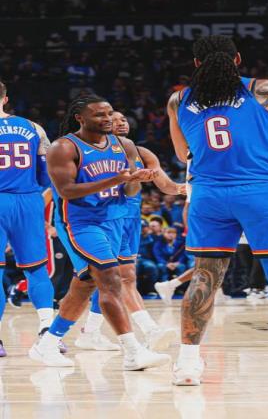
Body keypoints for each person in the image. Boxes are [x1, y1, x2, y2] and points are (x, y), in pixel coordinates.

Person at [167, 35, 268, 385]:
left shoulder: (178, 100)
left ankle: (187, 365)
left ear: (196, 63)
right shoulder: (264, 90)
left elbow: (183, 154)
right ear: (237, 59)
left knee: (205, 277)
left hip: (208, 193)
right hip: (260, 191)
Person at [30, 94, 170, 370]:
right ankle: (133, 351)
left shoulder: (124, 145)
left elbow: (129, 189)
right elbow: (66, 191)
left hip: (114, 220)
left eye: (109, 113)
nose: (107, 119)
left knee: (85, 285)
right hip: (81, 223)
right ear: (80, 118)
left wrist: (136, 180)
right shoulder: (63, 147)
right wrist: (116, 178)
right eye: (99, 115)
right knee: (111, 279)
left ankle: (47, 344)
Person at [76, 111, 182, 351]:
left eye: (123, 119)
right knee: (116, 277)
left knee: (117, 278)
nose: (121, 122)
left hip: (131, 221)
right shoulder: (91, 153)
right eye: (114, 120)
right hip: (104, 219)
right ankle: (149, 329)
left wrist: (185, 188)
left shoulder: (142, 153)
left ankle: (90, 332)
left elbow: (166, 185)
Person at [0, 81, 60, 357]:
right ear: (5, 98)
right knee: (36, 269)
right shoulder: (33, 128)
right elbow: (46, 176)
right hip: (28, 201)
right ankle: (48, 332)